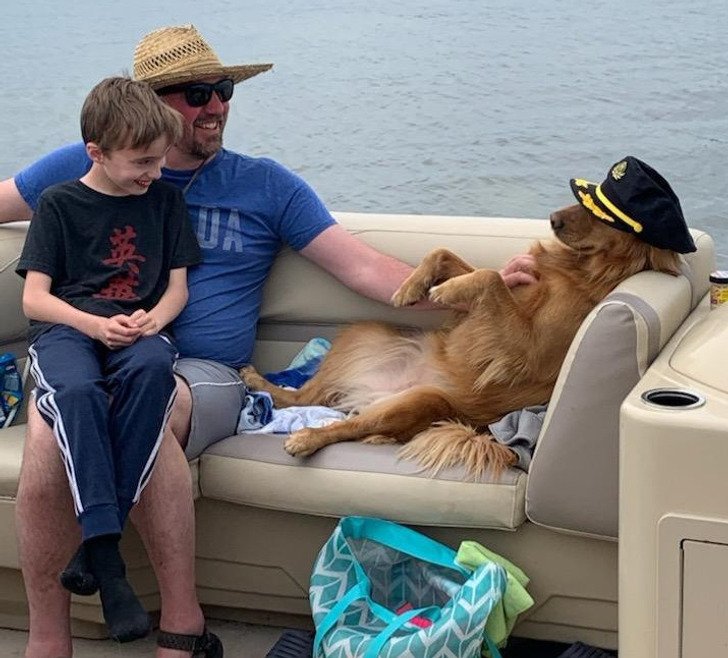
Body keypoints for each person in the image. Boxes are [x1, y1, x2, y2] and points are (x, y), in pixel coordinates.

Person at [0, 24, 535, 658]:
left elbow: (364, 270)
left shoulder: (266, 185)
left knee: (152, 405)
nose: (216, 107)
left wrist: (485, 287)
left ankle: (181, 627)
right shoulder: (89, 163)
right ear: (149, 104)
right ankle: (48, 641)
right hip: (90, 349)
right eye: (197, 94)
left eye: (223, 90)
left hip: (205, 371)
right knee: (51, 425)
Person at [16, 76, 202, 645]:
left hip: (140, 331)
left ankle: (98, 546)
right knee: (77, 395)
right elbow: (35, 299)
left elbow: (177, 289)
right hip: (70, 331)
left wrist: (154, 321)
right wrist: (94, 324)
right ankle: (109, 564)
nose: (156, 172)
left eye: (161, 158)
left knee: (152, 374)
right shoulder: (59, 204)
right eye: (142, 162)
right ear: (96, 152)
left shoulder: (166, 202)